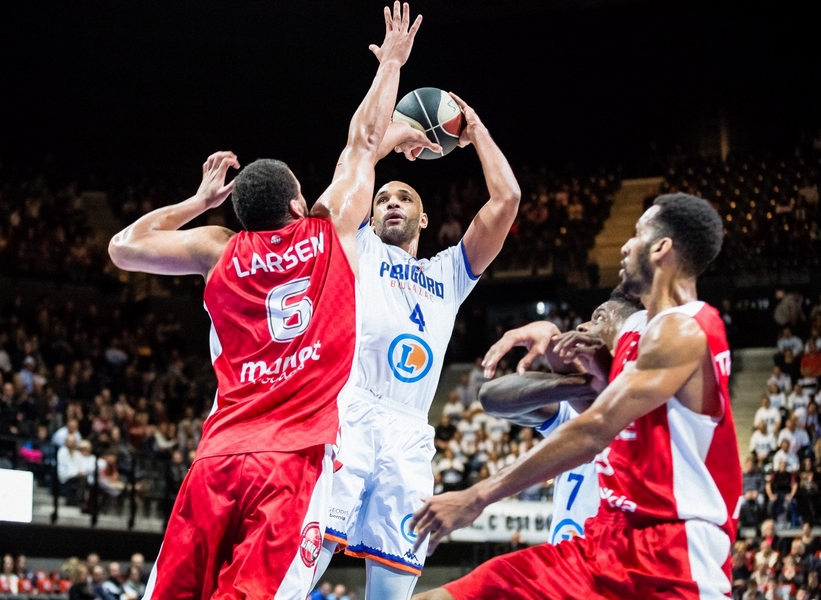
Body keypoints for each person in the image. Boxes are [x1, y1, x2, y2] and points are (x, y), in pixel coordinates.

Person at [109, 5, 426, 598]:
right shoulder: (328, 232)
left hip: (218, 456)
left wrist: (199, 201)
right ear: (299, 204)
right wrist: (390, 64)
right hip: (293, 462)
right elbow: (362, 140)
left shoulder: (216, 248)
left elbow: (125, 247)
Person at [410, 193, 742, 599]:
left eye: (637, 235)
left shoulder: (686, 328)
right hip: (604, 540)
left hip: (672, 553)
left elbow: (597, 426)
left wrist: (477, 497)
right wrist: (559, 346)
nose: (624, 245)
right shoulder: (637, 333)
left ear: (661, 248)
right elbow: (516, 396)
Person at [314, 88, 521, 598]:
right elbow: (347, 176)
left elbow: (507, 201)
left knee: (393, 589)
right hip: (351, 411)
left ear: (424, 218)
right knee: (304, 563)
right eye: (382, 197)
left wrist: (477, 134)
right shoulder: (357, 245)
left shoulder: (449, 272)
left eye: (404, 197)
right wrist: (385, 143)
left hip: (409, 431)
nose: (390, 203)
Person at [477, 289, 643, 546]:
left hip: (614, 573)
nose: (583, 326)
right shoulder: (572, 414)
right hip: (565, 575)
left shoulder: (649, 416)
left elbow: (608, 411)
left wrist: (588, 377)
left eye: (599, 318)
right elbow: (492, 397)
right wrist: (583, 383)